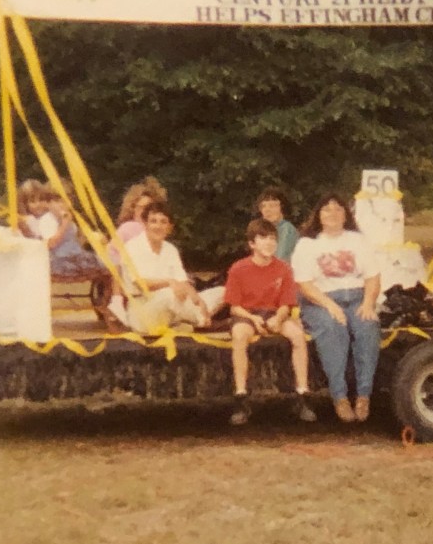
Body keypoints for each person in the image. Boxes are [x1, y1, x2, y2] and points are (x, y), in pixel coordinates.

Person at [291, 193, 381, 423]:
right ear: (318, 216)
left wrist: (369, 303)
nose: (333, 214)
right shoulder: (307, 244)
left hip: (357, 297)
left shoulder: (358, 240)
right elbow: (304, 284)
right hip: (320, 299)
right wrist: (330, 306)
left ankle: (363, 395)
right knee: (332, 329)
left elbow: (372, 276)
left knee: (367, 327)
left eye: (338, 209)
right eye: (327, 209)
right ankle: (339, 396)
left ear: (346, 215)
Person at [224, 218, 316, 425]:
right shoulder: (238, 268)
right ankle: (240, 396)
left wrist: (278, 318)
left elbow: (286, 303)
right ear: (252, 244)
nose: (269, 242)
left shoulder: (283, 268)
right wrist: (252, 318)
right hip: (247, 314)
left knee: (298, 335)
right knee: (239, 336)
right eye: (263, 238)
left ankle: (303, 395)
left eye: (273, 238)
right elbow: (234, 306)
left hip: (275, 313)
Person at [122, 201, 224, 334]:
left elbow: (183, 283)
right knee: (169, 293)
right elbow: (140, 284)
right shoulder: (132, 247)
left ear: (169, 227)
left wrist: (198, 301)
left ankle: (191, 320)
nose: (158, 226)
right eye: (153, 221)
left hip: (174, 308)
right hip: (144, 313)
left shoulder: (171, 249)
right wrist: (169, 282)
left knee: (222, 292)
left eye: (163, 222)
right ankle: (200, 320)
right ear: (145, 224)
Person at [107, 177, 168, 325]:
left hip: (147, 263)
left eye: (146, 208)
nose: (142, 211)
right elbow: (113, 248)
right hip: (127, 263)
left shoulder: (153, 228)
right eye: (139, 207)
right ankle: (117, 299)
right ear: (132, 208)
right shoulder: (129, 227)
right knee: (120, 264)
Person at [256, 186, 300, 262]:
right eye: (263, 206)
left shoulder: (287, 230)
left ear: (282, 208)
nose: (267, 210)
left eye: (272, 206)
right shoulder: (262, 231)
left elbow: (281, 259)